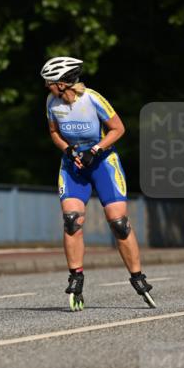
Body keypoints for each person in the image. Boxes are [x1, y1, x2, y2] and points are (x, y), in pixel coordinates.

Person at [41, 55, 156, 310]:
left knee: (118, 223)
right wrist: (68, 150)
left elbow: (118, 128)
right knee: (72, 220)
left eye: (49, 82)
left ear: (62, 83)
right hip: (73, 165)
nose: (46, 86)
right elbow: (54, 132)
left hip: (102, 162)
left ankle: (137, 277)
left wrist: (95, 150)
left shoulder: (92, 99)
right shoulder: (51, 101)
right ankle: (76, 277)